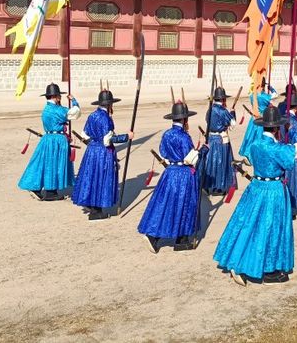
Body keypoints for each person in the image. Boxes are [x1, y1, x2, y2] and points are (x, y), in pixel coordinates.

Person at [214, 106, 297, 285]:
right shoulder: (277, 148)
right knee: (270, 228)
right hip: (273, 191)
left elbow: (251, 158)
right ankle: (267, 269)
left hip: (256, 187)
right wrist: (294, 134)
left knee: (249, 224)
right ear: (276, 128)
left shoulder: (255, 144)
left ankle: (239, 260)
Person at [138, 101, 200, 252]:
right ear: (184, 119)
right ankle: (175, 239)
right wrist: (203, 150)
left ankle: (175, 238)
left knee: (167, 203)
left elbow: (163, 153)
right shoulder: (184, 137)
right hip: (183, 174)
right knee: (184, 204)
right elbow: (190, 158)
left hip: (170, 172)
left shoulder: (166, 134)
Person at [71, 88, 133, 219]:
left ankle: (91, 204)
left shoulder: (92, 115)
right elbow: (107, 140)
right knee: (101, 178)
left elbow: (85, 135)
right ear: (110, 104)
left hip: (92, 150)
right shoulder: (106, 118)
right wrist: (126, 136)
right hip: (103, 152)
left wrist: (95, 142)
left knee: (92, 177)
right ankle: (96, 211)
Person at [18, 83, 81, 201]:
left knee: (45, 163)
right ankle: (50, 191)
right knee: (55, 164)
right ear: (55, 96)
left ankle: (43, 189)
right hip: (57, 140)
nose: (60, 97)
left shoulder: (46, 109)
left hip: (47, 139)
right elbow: (75, 113)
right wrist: (74, 101)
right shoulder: (57, 110)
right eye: (59, 96)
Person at [203, 86, 238, 196]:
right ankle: (219, 187)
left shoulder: (210, 109)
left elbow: (206, 120)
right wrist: (232, 113)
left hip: (211, 138)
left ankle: (207, 185)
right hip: (220, 139)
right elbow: (232, 124)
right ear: (223, 99)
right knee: (221, 162)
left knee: (210, 162)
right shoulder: (223, 111)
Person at [238, 78, 277, 163]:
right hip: (263, 119)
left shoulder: (252, 95)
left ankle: (249, 155)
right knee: (260, 138)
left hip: (254, 119)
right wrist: (271, 88)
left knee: (251, 136)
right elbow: (275, 94)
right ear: (263, 85)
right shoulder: (265, 96)